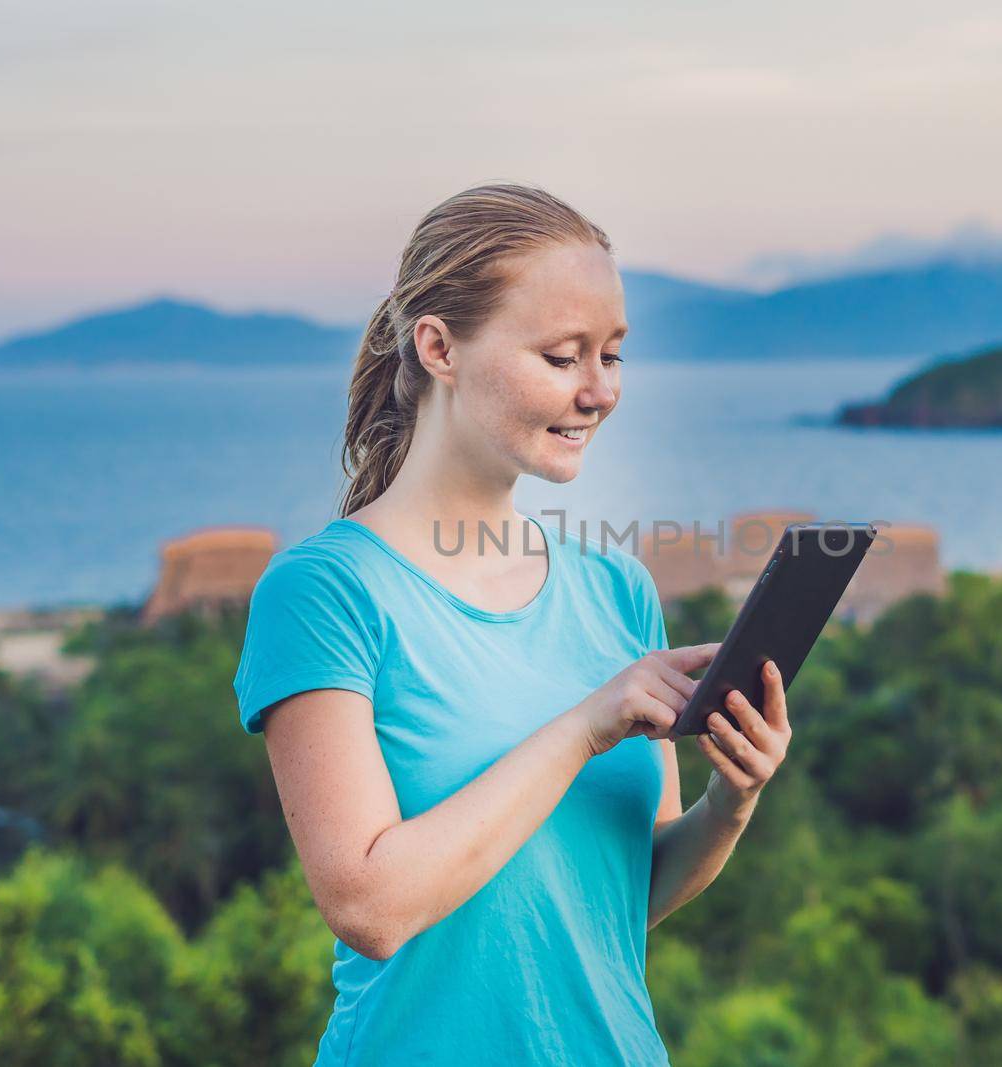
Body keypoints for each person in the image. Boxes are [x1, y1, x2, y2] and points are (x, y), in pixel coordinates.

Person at [232, 182, 793, 1066]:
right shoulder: (324, 592)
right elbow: (371, 906)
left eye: (612, 355)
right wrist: (581, 727)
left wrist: (734, 797)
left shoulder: (616, 590)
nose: (600, 391)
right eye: (564, 356)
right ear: (438, 347)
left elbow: (623, 887)